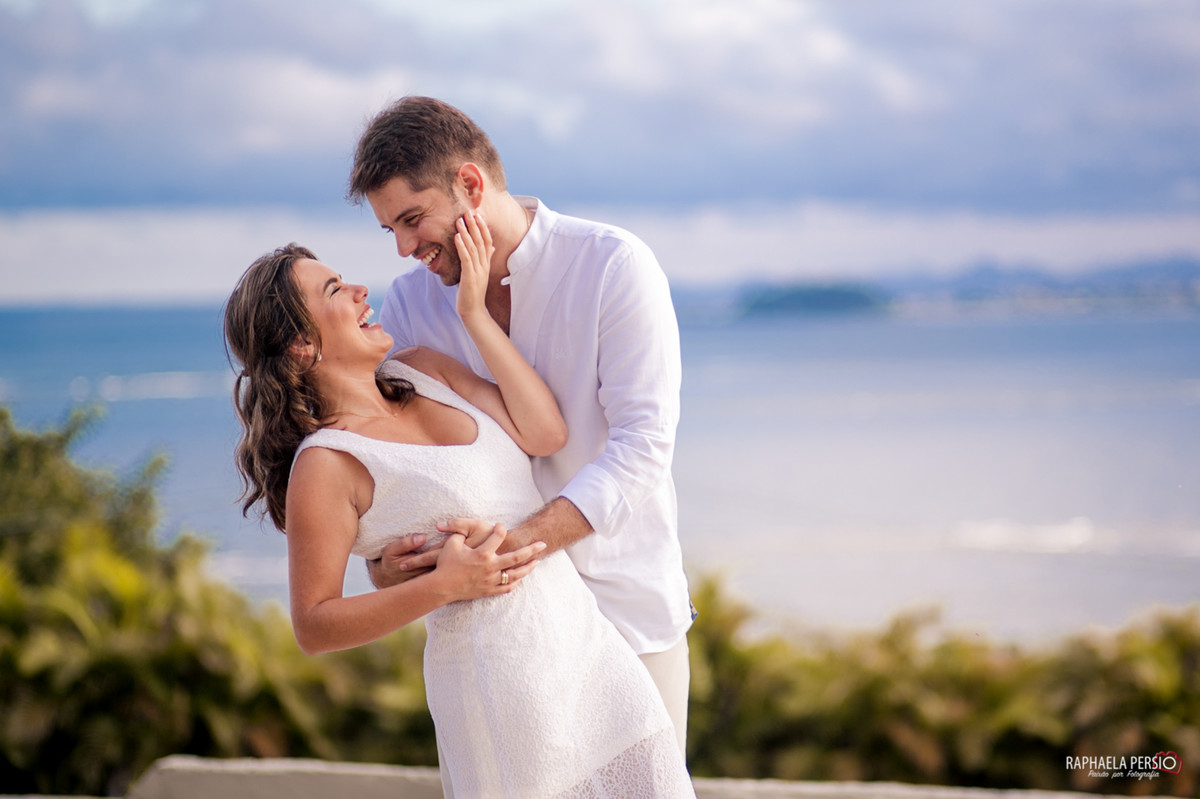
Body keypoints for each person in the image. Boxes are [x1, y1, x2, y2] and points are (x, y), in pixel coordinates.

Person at [223, 220, 696, 797]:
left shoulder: (423, 369)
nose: (359, 292)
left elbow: (545, 433)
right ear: (303, 344)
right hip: (496, 686)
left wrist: (473, 313)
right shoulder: (325, 462)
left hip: (588, 650)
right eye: (333, 292)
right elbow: (315, 625)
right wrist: (440, 587)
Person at [349, 96, 694, 754]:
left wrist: (512, 548)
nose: (402, 247)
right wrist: (385, 563)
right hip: (499, 632)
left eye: (412, 219)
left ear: (470, 185)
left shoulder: (613, 266)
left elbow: (641, 453)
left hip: (626, 612)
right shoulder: (415, 304)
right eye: (390, 228)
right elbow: (409, 460)